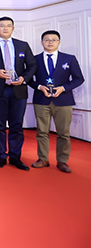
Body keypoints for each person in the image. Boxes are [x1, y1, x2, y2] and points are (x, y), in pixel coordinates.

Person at [0, 16, 37, 171]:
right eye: (2, 26)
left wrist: (23, 78)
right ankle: (0, 156)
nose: (5, 28)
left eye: (8, 26)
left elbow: (32, 65)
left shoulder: (23, 45)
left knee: (16, 125)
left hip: (18, 90)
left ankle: (15, 156)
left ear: (13, 28)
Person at [29, 30, 84, 173]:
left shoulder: (69, 58)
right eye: (47, 39)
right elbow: (28, 79)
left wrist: (64, 88)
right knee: (42, 132)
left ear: (59, 42)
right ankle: (43, 159)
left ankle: (62, 161)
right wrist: (39, 87)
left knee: (63, 133)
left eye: (54, 40)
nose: (50, 42)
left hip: (64, 100)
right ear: (42, 42)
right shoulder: (34, 59)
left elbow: (79, 78)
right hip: (41, 100)